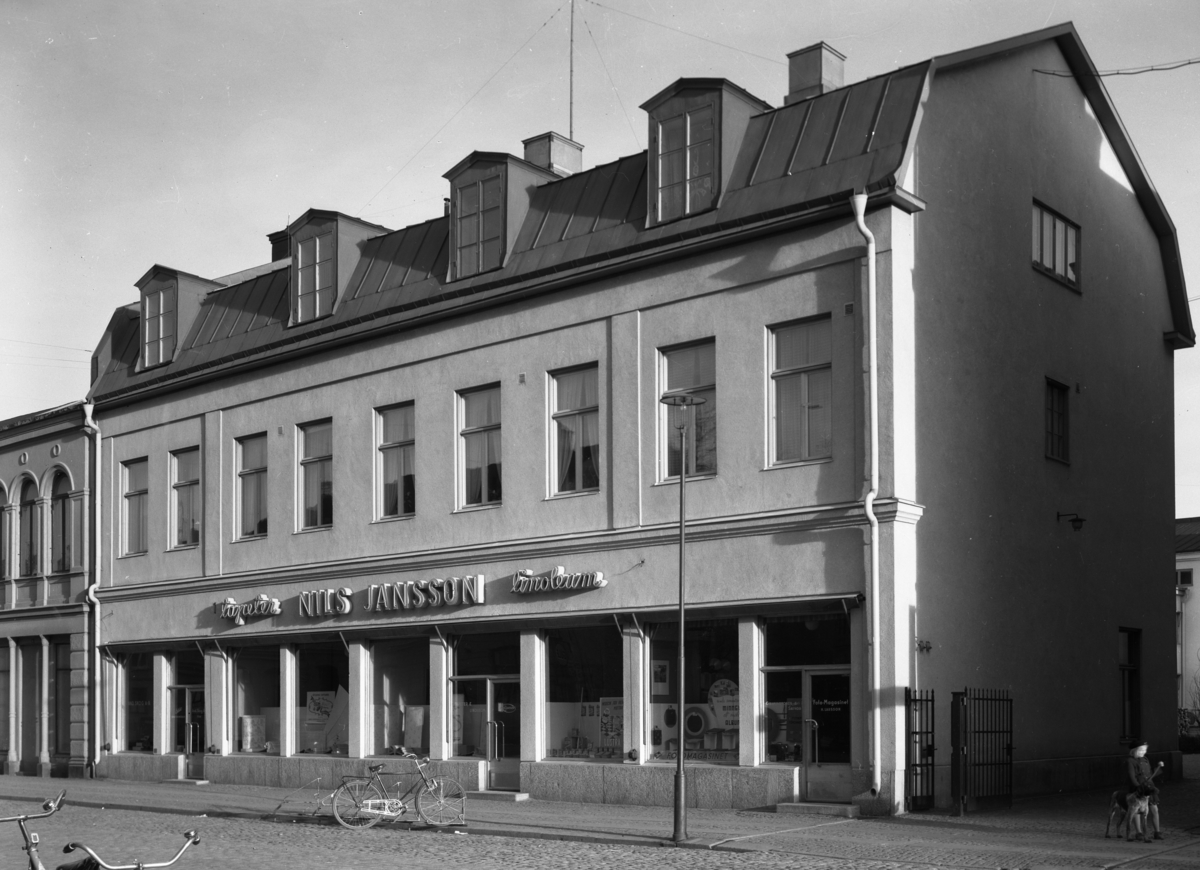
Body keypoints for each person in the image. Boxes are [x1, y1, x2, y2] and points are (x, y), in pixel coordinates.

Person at [1126, 739, 1164, 840]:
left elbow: (1150, 773)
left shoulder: (1145, 759)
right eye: (1141, 750)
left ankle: (1157, 832)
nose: (1144, 752)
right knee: (1137, 810)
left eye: (1145, 750)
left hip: (1149, 787)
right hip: (1138, 789)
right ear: (1134, 751)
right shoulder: (1130, 761)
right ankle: (1139, 832)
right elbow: (1132, 777)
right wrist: (1138, 787)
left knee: (1154, 809)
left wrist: (1158, 768)